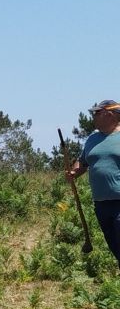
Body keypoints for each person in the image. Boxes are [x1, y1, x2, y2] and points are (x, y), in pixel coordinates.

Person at [66, 99, 120, 268]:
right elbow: (83, 162)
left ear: (109, 114)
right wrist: (74, 172)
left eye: (96, 113)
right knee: (114, 246)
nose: (93, 117)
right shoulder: (92, 139)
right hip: (101, 204)